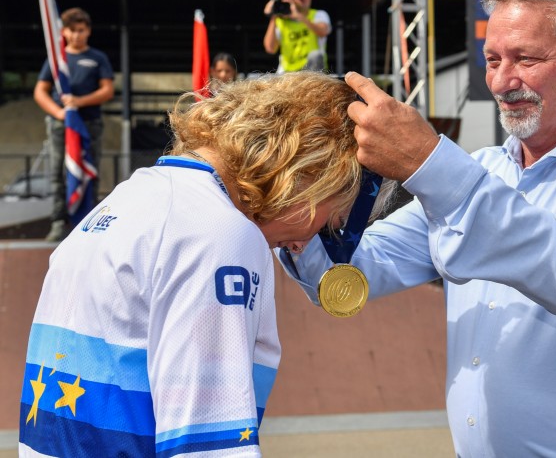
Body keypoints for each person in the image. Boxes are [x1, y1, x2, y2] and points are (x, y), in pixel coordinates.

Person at [280, 0, 556, 456]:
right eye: (493, 59)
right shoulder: (478, 173)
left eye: (525, 58)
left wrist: (429, 162)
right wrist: (299, 206)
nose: (501, 82)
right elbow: (362, 265)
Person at [18, 72, 364, 457]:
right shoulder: (219, 232)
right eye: (330, 219)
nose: (303, 245)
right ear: (308, 171)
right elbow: (206, 445)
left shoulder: (129, 194)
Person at [33, 7, 114, 242]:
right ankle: (59, 221)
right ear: (64, 33)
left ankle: (87, 219)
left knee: (90, 169)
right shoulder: (57, 60)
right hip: (61, 126)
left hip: (90, 123)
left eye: (81, 30)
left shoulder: (98, 58)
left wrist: (79, 102)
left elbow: (107, 90)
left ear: (88, 31)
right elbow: (40, 91)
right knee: (58, 171)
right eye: (72, 30)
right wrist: (59, 113)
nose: (77, 35)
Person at [262, 0, 331, 73]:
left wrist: (299, 16)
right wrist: (274, 15)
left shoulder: (318, 15)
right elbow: (270, 49)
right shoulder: (281, 21)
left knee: (316, 55)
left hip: (311, 72)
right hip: (288, 73)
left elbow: (323, 31)